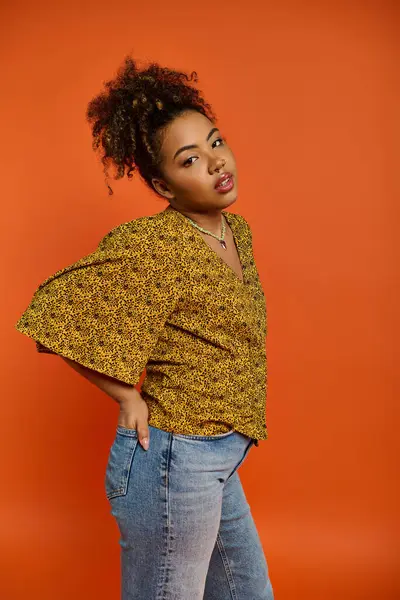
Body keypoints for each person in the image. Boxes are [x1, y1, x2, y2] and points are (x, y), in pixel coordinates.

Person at [15, 55, 274, 599]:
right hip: (175, 464)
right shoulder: (153, 245)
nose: (215, 163)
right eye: (190, 159)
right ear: (162, 182)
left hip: (223, 457)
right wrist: (126, 398)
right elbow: (55, 315)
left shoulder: (236, 232)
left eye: (215, 142)